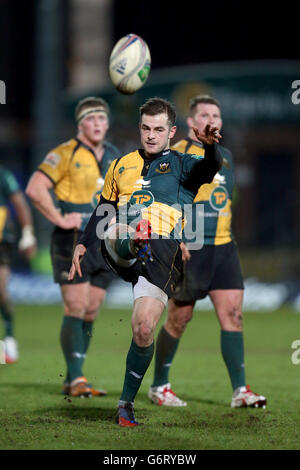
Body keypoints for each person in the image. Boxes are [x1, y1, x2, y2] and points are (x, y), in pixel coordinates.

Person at [69, 97, 223, 426]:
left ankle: (125, 404)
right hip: (122, 243)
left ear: (171, 132)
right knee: (127, 223)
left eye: (158, 129)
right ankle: (134, 236)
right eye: (146, 128)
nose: (151, 135)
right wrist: (83, 244)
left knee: (142, 329)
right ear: (140, 128)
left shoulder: (183, 164)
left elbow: (210, 169)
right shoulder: (121, 164)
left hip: (161, 252)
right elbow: (103, 208)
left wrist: (210, 149)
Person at [147, 95, 267, 409]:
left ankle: (241, 390)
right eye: (205, 114)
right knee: (179, 319)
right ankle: (159, 385)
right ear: (191, 123)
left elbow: (228, 199)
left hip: (224, 247)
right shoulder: (175, 154)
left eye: (217, 114)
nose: (212, 119)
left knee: (234, 316)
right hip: (190, 247)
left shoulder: (225, 155)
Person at [26, 96, 121, 397]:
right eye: (91, 119)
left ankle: (72, 379)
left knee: (91, 310)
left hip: (105, 242)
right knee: (76, 306)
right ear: (80, 124)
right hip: (72, 240)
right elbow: (35, 188)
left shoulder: (115, 155)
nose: (97, 124)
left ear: (108, 123)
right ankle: (78, 378)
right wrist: (59, 217)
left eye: (102, 119)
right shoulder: (65, 153)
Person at [0, 165, 36, 363]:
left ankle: (9, 338)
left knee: (1, 289)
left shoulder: (3, 174)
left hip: (1, 241)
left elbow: (20, 202)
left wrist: (28, 234)